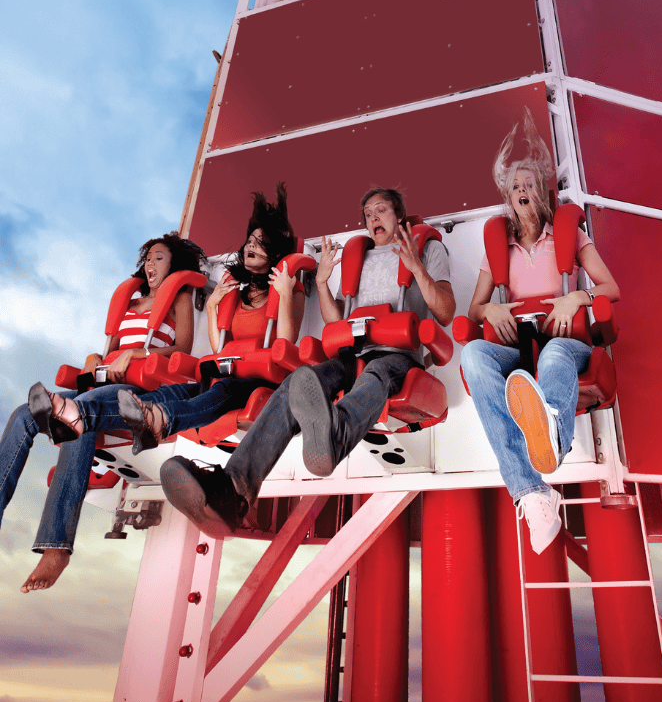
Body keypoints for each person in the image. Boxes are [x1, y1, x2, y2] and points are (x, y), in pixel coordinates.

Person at [159, 187, 456, 539]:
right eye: (367, 214)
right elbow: (336, 322)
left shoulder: (427, 248)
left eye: (381, 210)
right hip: (352, 352)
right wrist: (322, 282)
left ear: (400, 215)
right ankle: (233, 490)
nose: (373, 218)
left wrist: (417, 269)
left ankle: (335, 435)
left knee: (375, 375)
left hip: (397, 356)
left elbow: (446, 311)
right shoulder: (357, 257)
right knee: (298, 383)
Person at [0, 232, 204, 592]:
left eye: (159, 258)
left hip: (141, 386)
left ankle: (56, 546)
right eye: (148, 259)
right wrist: (95, 358)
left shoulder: (179, 299)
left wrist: (138, 356)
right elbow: (107, 352)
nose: (150, 265)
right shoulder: (130, 303)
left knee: (79, 413)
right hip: (103, 384)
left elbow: (183, 348)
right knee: (22, 415)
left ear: (175, 265)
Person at [460, 129, 619, 555]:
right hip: (516, 346)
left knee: (552, 355)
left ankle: (555, 439)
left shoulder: (567, 236)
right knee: (473, 353)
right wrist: (489, 310)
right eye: (515, 187)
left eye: (529, 183)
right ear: (508, 200)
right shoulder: (500, 249)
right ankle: (532, 491)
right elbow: (475, 308)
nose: (522, 190)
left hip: (566, 342)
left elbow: (611, 288)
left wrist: (577, 296)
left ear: (542, 194)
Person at [112, 183, 305, 452]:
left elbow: (285, 341)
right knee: (185, 390)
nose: (251, 245)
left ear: (274, 253)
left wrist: (284, 294)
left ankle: (161, 422)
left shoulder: (289, 287)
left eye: (260, 243)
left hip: (264, 378)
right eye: (250, 240)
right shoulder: (237, 293)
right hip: (231, 374)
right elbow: (219, 349)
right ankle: (145, 414)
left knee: (223, 390)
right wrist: (213, 305)